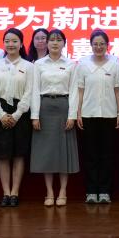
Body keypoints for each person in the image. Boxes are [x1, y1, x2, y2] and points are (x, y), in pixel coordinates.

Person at [30, 29, 79, 206]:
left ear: (64, 43)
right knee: (47, 152)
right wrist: (35, 116)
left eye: (59, 40)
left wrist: (72, 116)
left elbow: (74, 91)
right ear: (47, 43)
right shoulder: (38, 64)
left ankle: (63, 191)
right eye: (52, 40)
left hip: (64, 107)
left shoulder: (71, 64)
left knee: (63, 151)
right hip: (44, 107)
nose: (55, 43)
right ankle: (49, 192)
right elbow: (35, 90)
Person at [74, 30, 119, 204]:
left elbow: (118, 91)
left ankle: (104, 191)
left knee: (107, 155)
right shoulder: (83, 64)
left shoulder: (116, 63)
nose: (99, 47)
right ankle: (90, 191)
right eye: (95, 44)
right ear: (91, 45)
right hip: (88, 114)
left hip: (109, 115)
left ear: (107, 45)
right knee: (90, 155)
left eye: (102, 44)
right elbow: (80, 91)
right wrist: (78, 113)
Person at [0, 28, 34, 208]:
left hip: (20, 113)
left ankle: (15, 192)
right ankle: (6, 192)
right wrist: (1, 114)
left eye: (14, 41)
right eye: (7, 41)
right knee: (3, 154)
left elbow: (29, 93)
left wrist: (16, 114)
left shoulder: (29, 66)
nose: (10, 44)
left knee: (19, 154)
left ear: (21, 44)